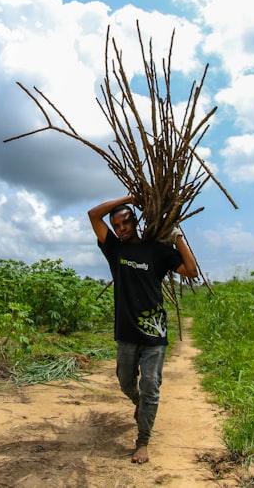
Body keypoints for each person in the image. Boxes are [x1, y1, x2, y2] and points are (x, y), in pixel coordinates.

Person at [87, 194, 199, 464]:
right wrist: (131, 197)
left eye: (125, 222)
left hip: (155, 333)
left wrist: (177, 237)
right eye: (117, 225)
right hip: (126, 331)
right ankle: (139, 403)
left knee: (151, 385)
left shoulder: (156, 250)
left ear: (135, 221)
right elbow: (93, 214)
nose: (121, 228)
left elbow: (192, 270)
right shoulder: (114, 249)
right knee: (126, 382)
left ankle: (142, 441)